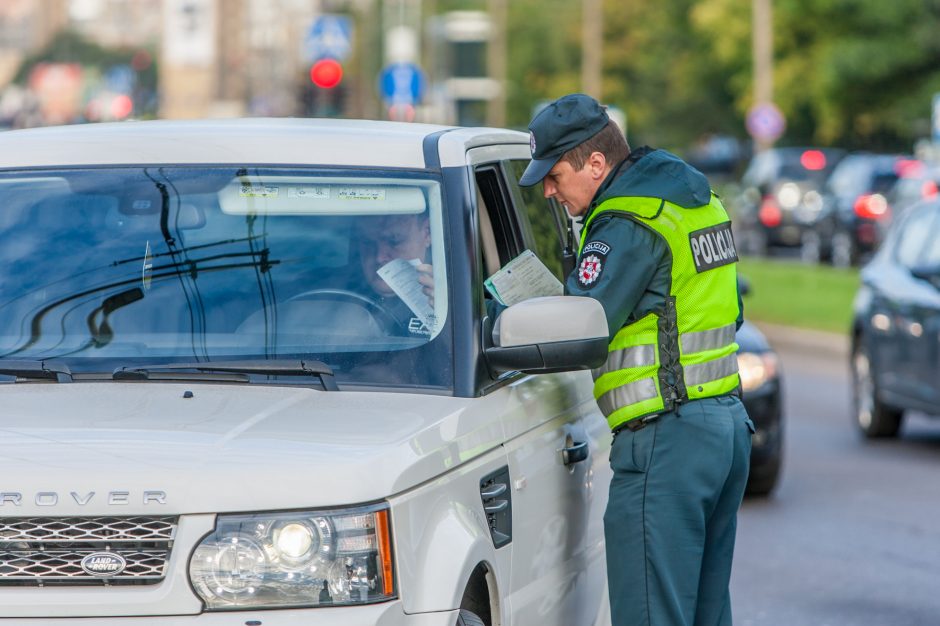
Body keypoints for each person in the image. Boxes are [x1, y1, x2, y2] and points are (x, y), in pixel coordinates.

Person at [519, 93, 752, 626]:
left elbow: (579, 323)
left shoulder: (627, 220)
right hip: (725, 430)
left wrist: (500, 309)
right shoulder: (694, 198)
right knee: (705, 615)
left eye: (554, 175)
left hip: (667, 440)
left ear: (595, 162)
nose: (550, 192)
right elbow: (728, 311)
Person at [353, 212, 435, 337]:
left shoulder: (458, 292)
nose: (379, 257)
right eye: (368, 242)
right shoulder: (329, 285)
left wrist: (448, 313)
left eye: (394, 241)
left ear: (427, 232)